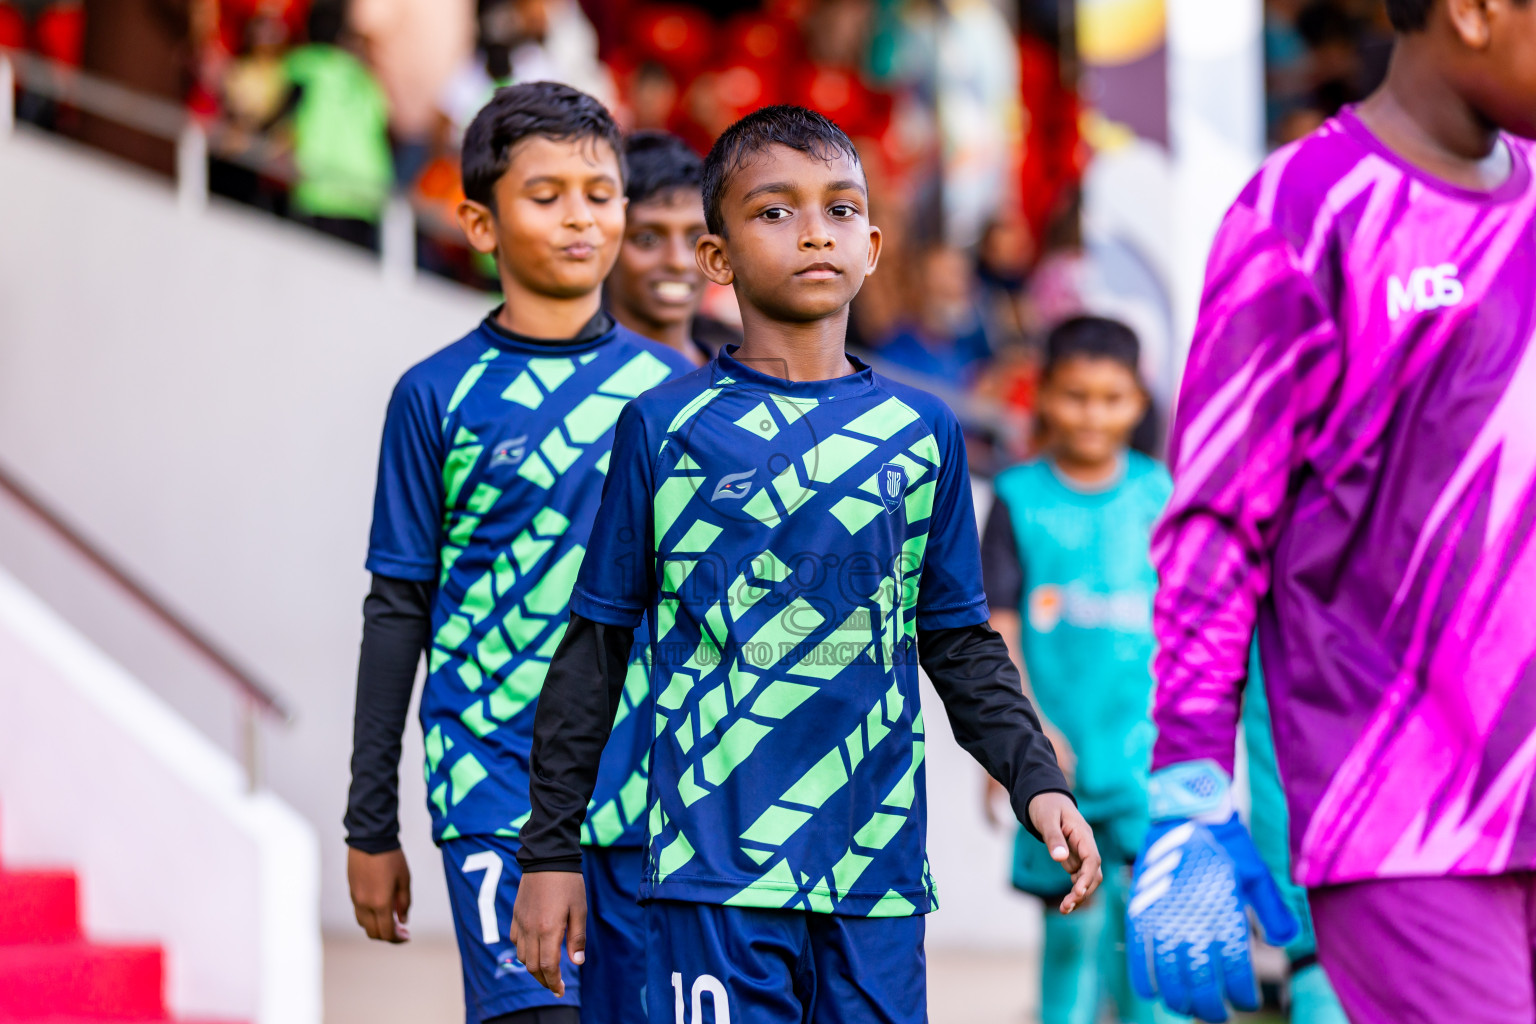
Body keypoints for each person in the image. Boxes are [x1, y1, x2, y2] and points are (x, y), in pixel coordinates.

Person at [510, 104, 1101, 1024]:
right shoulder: (664, 429)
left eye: (837, 210)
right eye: (776, 212)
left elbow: (956, 640)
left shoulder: (923, 434)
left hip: (875, 878)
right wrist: (549, 852)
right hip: (712, 877)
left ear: (870, 246)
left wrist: (1036, 777)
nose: (813, 232)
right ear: (719, 260)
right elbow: (594, 649)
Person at [1125, 0, 1536, 1021]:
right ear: (1476, 12)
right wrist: (1189, 782)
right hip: (1409, 820)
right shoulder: (1303, 215)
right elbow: (1216, 525)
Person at [343, 81, 693, 1024]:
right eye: (547, 196)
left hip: (648, 796)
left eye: (599, 192)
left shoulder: (680, 395)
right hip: (491, 779)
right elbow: (396, 610)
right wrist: (370, 822)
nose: (580, 217)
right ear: (480, 223)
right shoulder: (436, 395)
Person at [980, 317, 1173, 1024]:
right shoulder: (1019, 499)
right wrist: (1015, 743)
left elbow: (1195, 627)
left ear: (1138, 401)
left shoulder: (1162, 497)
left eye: (1111, 398)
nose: (1092, 414)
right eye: (1075, 396)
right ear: (1046, 396)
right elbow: (995, 631)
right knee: (1070, 931)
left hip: (1147, 759)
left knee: (1150, 940)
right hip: (1056, 762)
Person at [276, 1, 394, 250]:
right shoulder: (362, 75)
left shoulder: (303, 65)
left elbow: (280, 118)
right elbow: (384, 123)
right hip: (366, 194)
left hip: (322, 190)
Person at [605, 132, 713, 366]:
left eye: (696, 240)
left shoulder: (751, 379)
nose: (678, 261)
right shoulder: (566, 387)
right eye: (648, 240)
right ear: (605, 243)